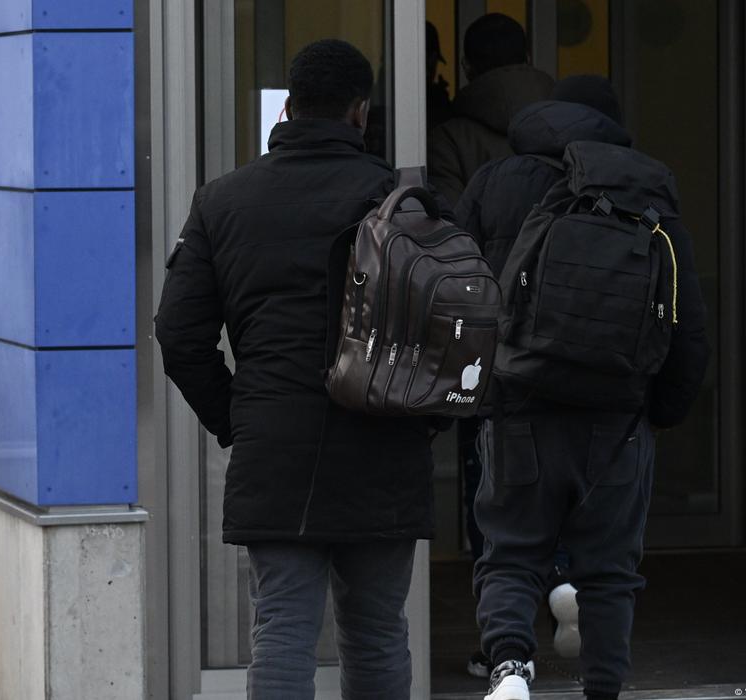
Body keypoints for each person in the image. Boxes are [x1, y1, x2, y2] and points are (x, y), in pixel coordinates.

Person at [156, 39, 437, 698]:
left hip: (274, 442)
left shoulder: (222, 201)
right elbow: (446, 331)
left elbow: (177, 334)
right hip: (383, 439)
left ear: (288, 106)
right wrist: (424, 420)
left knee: (280, 625)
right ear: (360, 113)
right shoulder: (402, 204)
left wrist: (237, 417)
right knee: (375, 630)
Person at [460, 76, 711, 700]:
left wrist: (467, 392)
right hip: (617, 415)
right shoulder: (643, 187)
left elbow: (458, 285)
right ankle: (602, 688)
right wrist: (663, 411)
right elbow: (688, 322)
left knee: (511, 549)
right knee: (609, 571)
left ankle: (511, 669)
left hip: (518, 405)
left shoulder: (496, 180)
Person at [427, 13, 554, 206]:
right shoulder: (571, 127)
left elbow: (449, 226)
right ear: (528, 58)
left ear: (466, 67)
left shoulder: (448, 141)